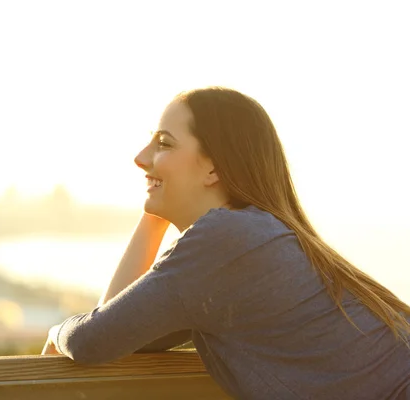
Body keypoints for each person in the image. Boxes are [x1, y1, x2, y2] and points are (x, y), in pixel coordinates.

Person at [40, 87, 410, 399]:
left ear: (214, 168)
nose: (140, 158)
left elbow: (94, 339)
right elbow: (121, 330)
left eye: (164, 143)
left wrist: (58, 332)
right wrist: (154, 218)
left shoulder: (227, 241)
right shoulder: (252, 239)